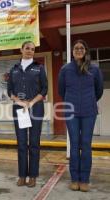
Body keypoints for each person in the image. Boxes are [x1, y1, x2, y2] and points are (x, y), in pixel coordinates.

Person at [58, 39, 103, 192]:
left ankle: (84, 179)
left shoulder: (94, 69)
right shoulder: (65, 69)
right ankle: (74, 179)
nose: (78, 50)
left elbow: (99, 90)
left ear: (85, 51)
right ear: (72, 51)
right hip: (71, 112)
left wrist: (89, 101)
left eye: (81, 48)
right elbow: (61, 90)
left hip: (89, 112)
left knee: (86, 144)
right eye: (76, 48)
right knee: (74, 144)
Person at [7, 41, 48, 187]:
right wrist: (19, 101)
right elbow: (9, 91)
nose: (30, 51)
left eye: (32, 49)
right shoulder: (14, 69)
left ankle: (33, 176)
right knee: (22, 143)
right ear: (21, 50)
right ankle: (22, 175)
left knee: (34, 143)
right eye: (27, 48)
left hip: (35, 108)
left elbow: (44, 89)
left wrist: (30, 103)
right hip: (19, 109)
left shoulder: (39, 68)